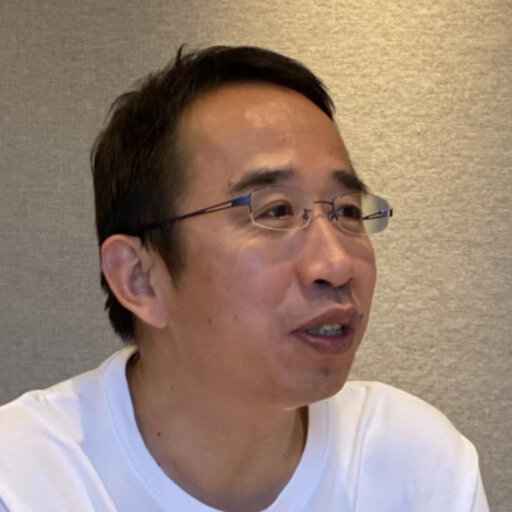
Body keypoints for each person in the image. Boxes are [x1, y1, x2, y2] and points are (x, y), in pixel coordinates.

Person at [0, 45, 488, 512]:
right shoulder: (24, 481)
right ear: (139, 279)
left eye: (347, 211)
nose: (336, 264)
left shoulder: (415, 464)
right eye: (275, 211)